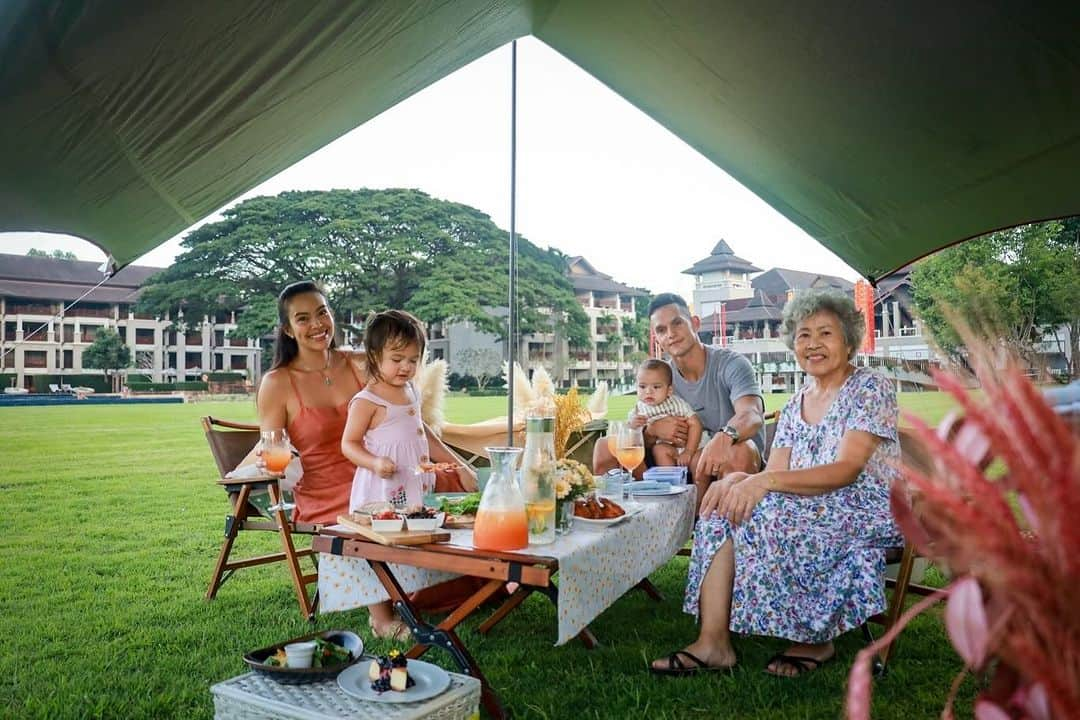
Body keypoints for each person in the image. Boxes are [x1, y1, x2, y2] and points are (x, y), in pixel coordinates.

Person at [650, 289, 904, 677]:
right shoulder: (796, 401)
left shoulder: (870, 388)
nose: (813, 344)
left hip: (861, 508)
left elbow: (847, 470)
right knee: (722, 508)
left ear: (849, 341)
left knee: (770, 514)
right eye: (804, 335)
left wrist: (761, 482)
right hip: (809, 502)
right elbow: (778, 470)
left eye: (825, 334)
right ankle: (714, 642)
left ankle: (815, 638)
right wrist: (735, 480)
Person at [594, 293, 764, 508]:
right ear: (656, 337)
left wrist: (724, 437)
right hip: (673, 462)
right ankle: (633, 524)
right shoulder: (659, 376)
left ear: (695, 324)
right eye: (661, 330)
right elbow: (637, 429)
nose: (671, 334)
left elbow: (751, 414)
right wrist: (652, 431)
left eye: (677, 324)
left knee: (740, 450)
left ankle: (715, 530)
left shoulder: (731, 364)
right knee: (604, 447)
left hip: (728, 460)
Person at [342, 309, 462, 512]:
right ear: (373, 355)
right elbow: (348, 444)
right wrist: (375, 462)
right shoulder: (367, 401)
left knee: (416, 529)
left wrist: (460, 468)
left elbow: (421, 432)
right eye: (397, 360)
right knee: (390, 534)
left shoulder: (411, 390)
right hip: (382, 492)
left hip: (415, 486)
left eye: (413, 360)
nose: (406, 367)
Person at [627, 359, 703, 468]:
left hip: (689, 446)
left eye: (656, 387)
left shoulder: (675, 403)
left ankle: (698, 484)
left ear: (669, 390)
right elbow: (628, 436)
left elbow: (695, 423)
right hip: (667, 449)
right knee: (659, 450)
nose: (648, 391)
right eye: (642, 386)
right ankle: (671, 480)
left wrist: (689, 451)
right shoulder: (638, 410)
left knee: (697, 462)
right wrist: (633, 426)